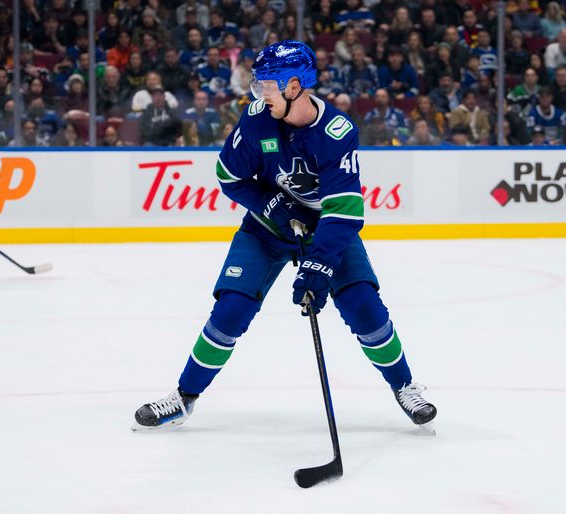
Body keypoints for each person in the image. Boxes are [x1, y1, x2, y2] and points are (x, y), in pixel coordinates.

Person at [132, 40, 437, 431]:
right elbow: (229, 177)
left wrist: (319, 265)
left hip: (323, 230)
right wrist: (271, 205)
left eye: (267, 86)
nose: (259, 94)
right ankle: (184, 397)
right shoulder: (258, 120)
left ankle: (404, 387)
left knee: (363, 306)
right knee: (230, 311)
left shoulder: (337, 132)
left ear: (294, 86)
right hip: (265, 230)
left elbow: (344, 212)